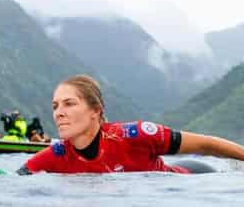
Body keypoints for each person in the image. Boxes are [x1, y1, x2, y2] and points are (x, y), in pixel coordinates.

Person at [17, 75, 244, 175]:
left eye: (69, 104)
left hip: (194, 177)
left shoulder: (134, 135)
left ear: (96, 110)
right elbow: (11, 180)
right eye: (55, 106)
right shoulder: (54, 155)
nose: (59, 113)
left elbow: (207, 145)